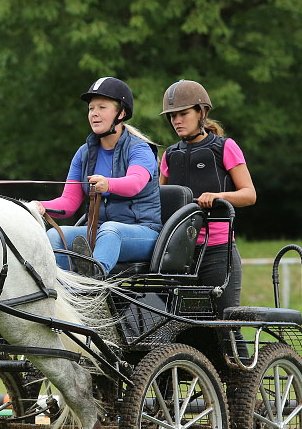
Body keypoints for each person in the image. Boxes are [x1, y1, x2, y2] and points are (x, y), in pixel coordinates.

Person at [34, 77, 161, 277]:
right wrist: (38, 206)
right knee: (55, 236)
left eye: (102, 107)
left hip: (143, 232)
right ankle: (65, 292)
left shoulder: (139, 149)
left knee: (110, 231)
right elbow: (68, 202)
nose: (94, 114)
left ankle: (92, 283)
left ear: (121, 113)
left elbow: (135, 183)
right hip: (99, 232)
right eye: (91, 109)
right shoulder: (84, 153)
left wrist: (107, 184)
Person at [159, 79, 257, 320]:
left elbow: (249, 194)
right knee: (185, 328)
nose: (177, 121)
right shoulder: (170, 155)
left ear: (201, 113)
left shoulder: (225, 147)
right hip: (180, 254)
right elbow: (158, 200)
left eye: (183, 114)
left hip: (218, 251)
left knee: (225, 326)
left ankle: (239, 359)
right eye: (172, 116)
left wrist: (219, 197)